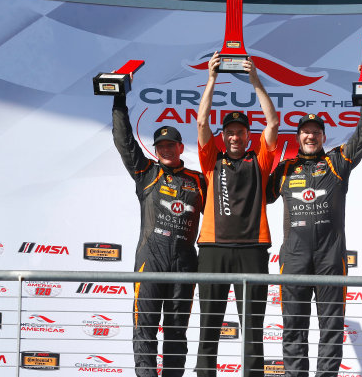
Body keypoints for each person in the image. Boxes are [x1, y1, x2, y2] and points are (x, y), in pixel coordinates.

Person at [267, 63, 362, 377]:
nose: (310, 136)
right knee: (293, 326)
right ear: (298, 136)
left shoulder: (337, 162)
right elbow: (255, 196)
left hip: (331, 257)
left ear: (322, 135)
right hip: (293, 258)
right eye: (305, 132)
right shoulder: (284, 169)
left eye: (315, 132)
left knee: (331, 327)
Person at [195, 52, 279, 377]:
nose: (233, 137)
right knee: (208, 329)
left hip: (252, 251)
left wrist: (255, 79)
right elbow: (202, 122)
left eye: (239, 132)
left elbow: (272, 123)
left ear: (247, 136)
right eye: (228, 132)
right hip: (213, 250)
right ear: (223, 136)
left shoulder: (259, 161)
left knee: (253, 333)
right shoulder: (210, 160)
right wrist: (212, 77)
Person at [112, 90, 206, 377]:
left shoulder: (199, 180)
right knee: (145, 328)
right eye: (160, 146)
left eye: (171, 145)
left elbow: (224, 215)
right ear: (156, 149)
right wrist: (118, 101)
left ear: (180, 148)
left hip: (185, 265)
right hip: (149, 263)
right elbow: (124, 142)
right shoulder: (146, 173)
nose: (165, 149)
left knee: (177, 332)